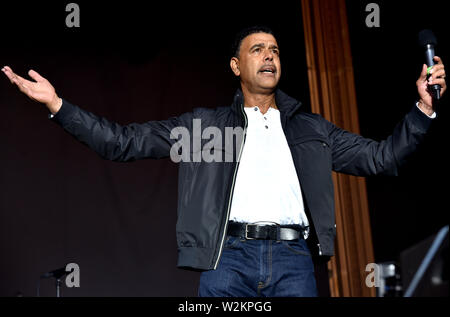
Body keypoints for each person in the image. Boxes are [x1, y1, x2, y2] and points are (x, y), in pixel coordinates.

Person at [1, 26, 446, 297]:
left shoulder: (311, 128)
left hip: (293, 261)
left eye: (274, 50)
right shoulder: (206, 128)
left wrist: (422, 109)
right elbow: (122, 142)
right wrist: (58, 104)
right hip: (227, 261)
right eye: (258, 49)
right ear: (236, 65)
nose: (269, 55)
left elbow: (383, 158)